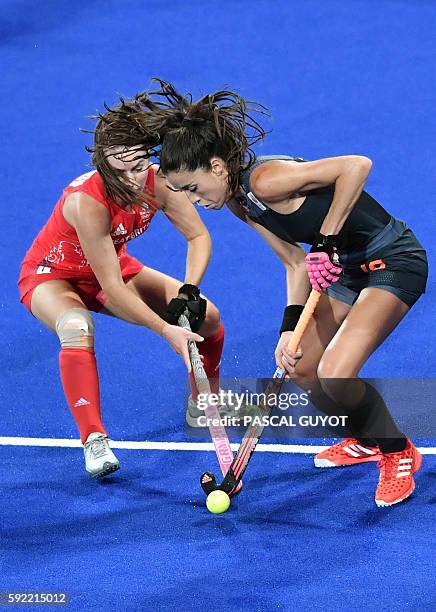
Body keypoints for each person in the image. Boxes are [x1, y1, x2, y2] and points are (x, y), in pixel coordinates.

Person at [139, 79, 428, 507]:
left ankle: (398, 450)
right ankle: (367, 437)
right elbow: (295, 262)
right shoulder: (241, 203)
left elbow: (356, 166)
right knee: (303, 365)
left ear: (217, 168)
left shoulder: (267, 180)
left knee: (336, 373)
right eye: (183, 193)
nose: (192, 200)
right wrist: (289, 330)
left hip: (393, 261)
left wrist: (326, 241)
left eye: (193, 189)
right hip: (345, 269)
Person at [18, 94, 227, 479]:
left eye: (138, 166)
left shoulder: (158, 181)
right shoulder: (87, 202)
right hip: (54, 275)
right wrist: (166, 329)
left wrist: (188, 294)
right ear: (103, 164)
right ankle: (94, 439)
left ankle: (204, 397)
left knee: (209, 319)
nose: (133, 179)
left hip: (112, 266)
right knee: (77, 327)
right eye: (122, 171)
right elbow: (112, 290)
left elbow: (198, 237)